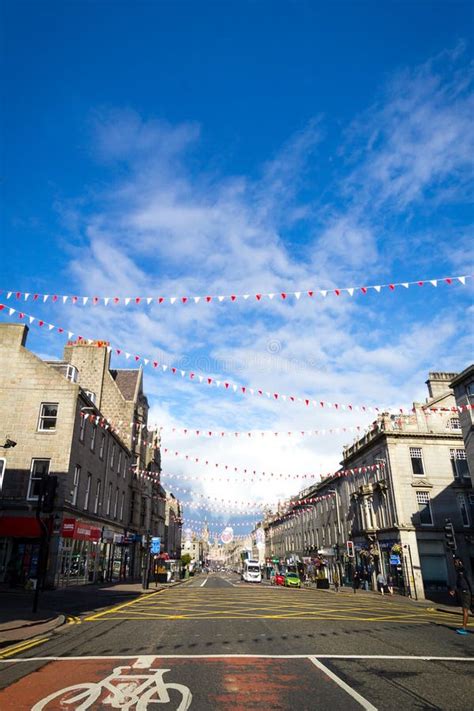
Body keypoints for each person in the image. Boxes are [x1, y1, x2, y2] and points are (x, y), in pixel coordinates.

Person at [449, 558, 472, 635]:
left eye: (456, 562)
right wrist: (453, 590)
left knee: (465, 610)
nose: (455, 564)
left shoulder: (464, 571)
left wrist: (473, 594)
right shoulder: (459, 572)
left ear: (460, 562)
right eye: (454, 562)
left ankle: (463, 628)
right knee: (467, 610)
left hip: (467, 592)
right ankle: (463, 627)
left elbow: (470, 582)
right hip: (463, 592)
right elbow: (458, 583)